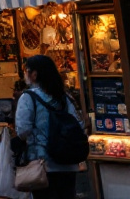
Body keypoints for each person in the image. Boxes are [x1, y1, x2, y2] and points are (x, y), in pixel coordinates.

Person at [16, 54, 87, 199]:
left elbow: (23, 130)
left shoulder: (28, 97)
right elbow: (79, 124)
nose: (25, 74)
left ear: (34, 74)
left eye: (26, 70)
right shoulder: (65, 97)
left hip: (42, 164)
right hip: (68, 162)